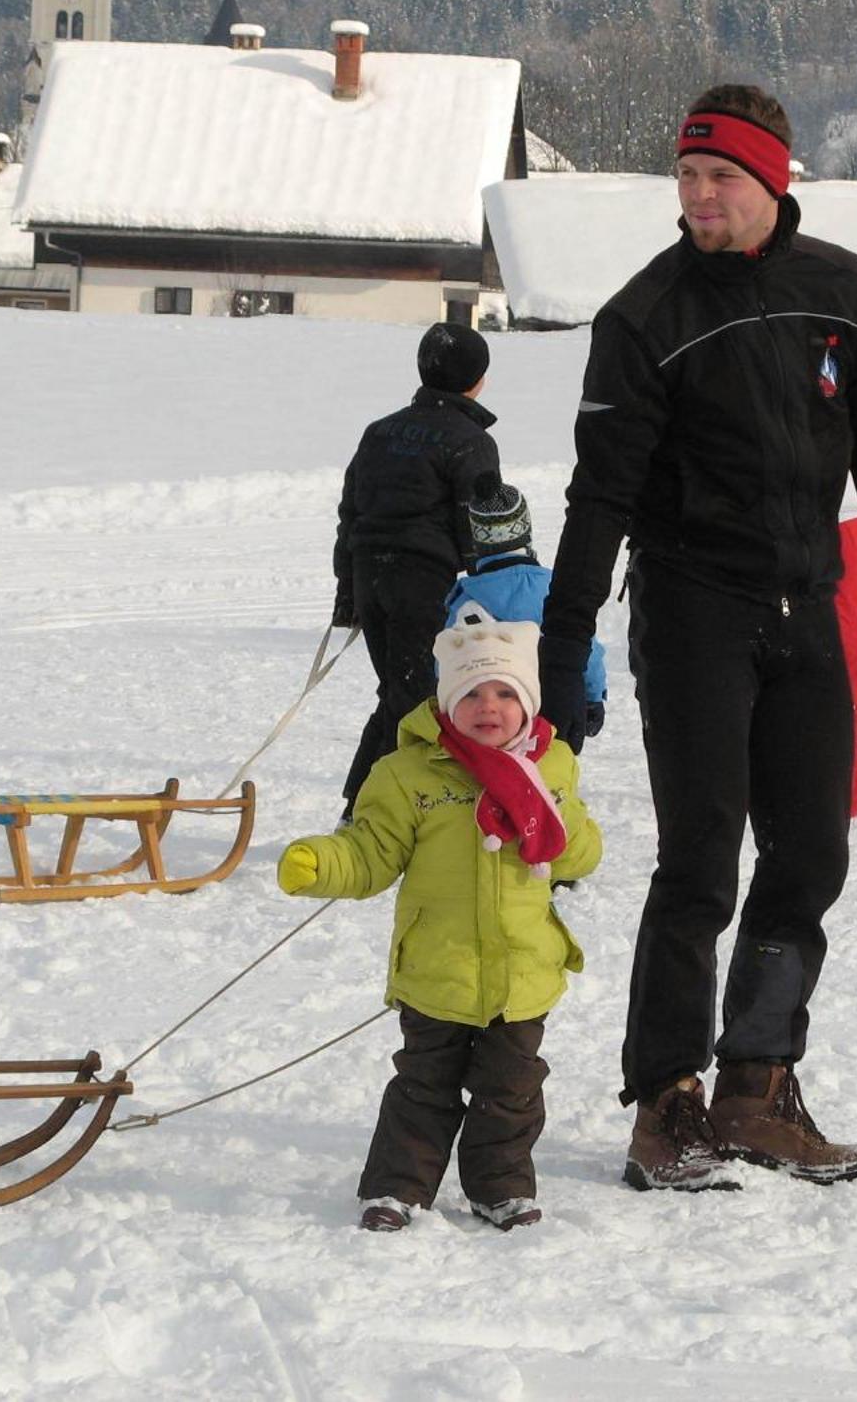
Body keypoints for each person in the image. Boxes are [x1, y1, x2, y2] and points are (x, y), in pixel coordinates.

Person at [537, 83, 857, 1193]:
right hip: (693, 612)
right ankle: (665, 1103)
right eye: (684, 176)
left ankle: (755, 1087)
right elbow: (597, 499)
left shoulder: (845, 293)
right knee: (699, 861)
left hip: (805, 605)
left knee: (809, 855)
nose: (697, 196)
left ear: (773, 180)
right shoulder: (642, 318)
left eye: (718, 177)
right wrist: (563, 645)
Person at [278, 607, 601, 1232]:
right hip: (438, 966)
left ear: (527, 702)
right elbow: (372, 851)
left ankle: (500, 1187)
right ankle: (398, 1188)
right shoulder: (407, 775)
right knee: (424, 1086)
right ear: (446, 703)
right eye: (472, 693)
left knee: (510, 1091)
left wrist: (562, 817)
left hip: (522, 971)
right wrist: (322, 862)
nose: (489, 706)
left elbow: (577, 854)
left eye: (506, 692)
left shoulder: (552, 766)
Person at [332, 321, 501, 819]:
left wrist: (347, 591)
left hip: (370, 579)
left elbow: (351, 513)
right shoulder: (470, 442)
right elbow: (482, 523)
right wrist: (493, 591)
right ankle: (374, 811)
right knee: (417, 702)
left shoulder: (378, 432)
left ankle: (363, 806)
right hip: (424, 583)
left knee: (401, 693)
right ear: (478, 379)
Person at [444, 475, 607, 739]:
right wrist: (593, 695)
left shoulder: (466, 599)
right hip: (558, 706)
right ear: (525, 531)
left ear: (478, 541)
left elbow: (450, 659)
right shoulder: (555, 588)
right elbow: (586, 645)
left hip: (493, 719)